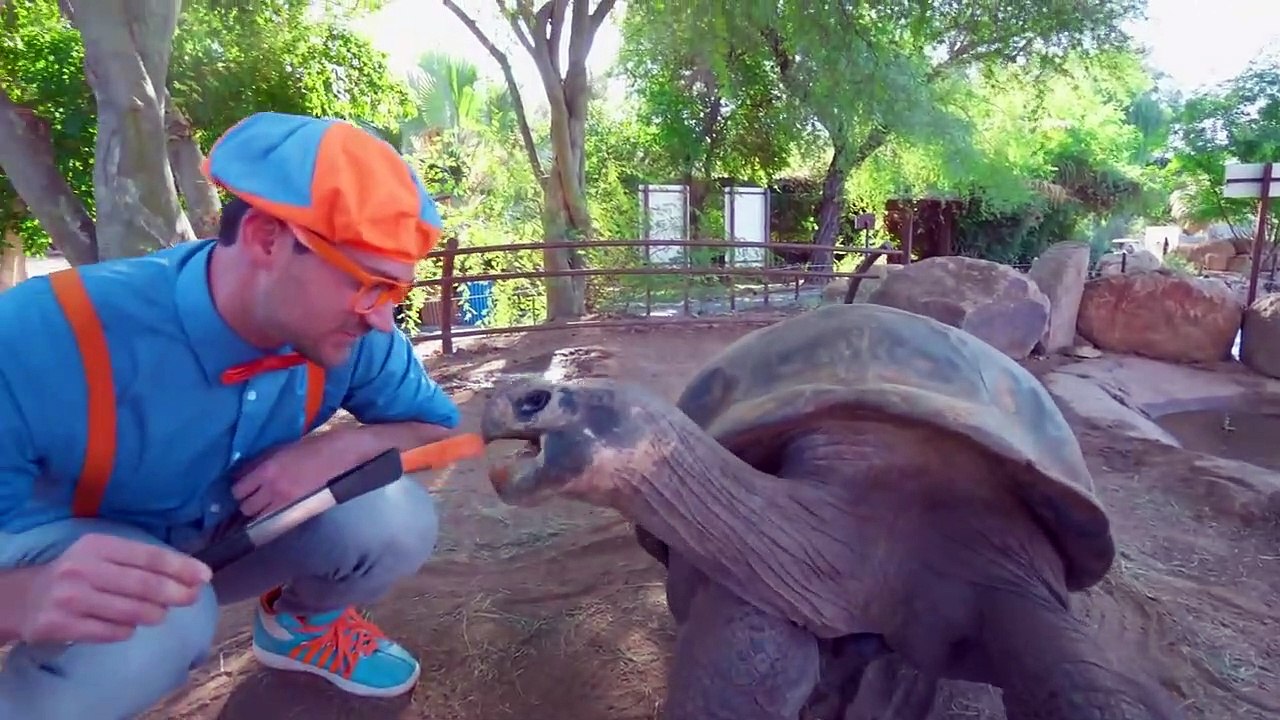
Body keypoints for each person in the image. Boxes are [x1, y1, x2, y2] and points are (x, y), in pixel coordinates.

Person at [0, 111, 462, 717]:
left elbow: (440, 429)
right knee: (162, 621)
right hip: (61, 565)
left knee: (391, 514)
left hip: (225, 542)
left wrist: (336, 448)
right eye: (368, 284)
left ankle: (302, 629)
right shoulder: (39, 333)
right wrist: (17, 596)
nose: (382, 318)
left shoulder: (358, 338)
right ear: (268, 238)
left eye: (395, 293)